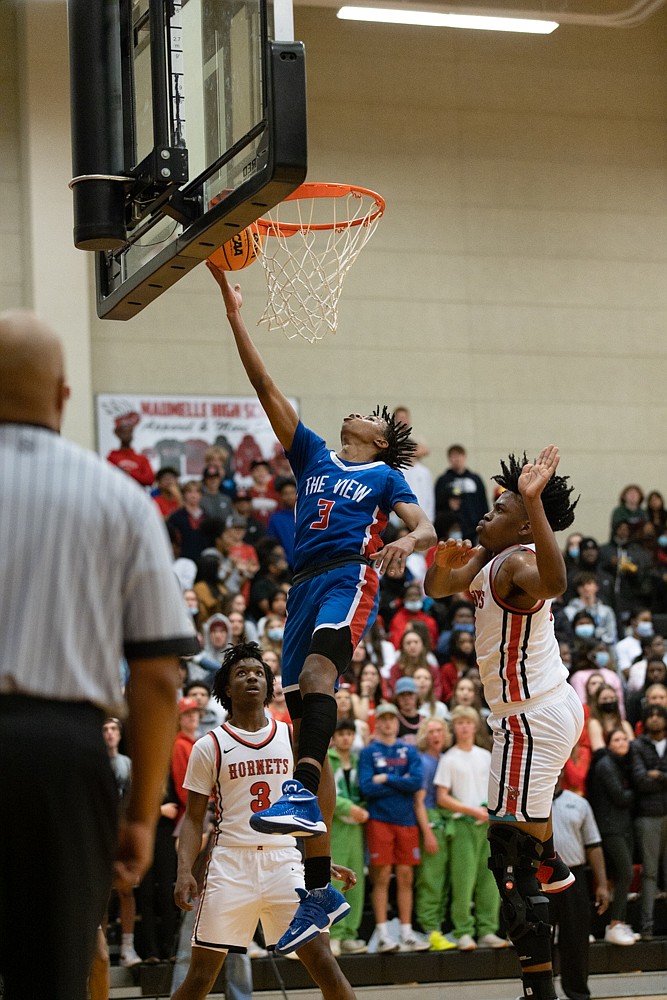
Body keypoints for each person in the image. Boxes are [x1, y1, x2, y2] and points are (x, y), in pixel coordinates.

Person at [208, 261, 435, 950]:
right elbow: (265, 385)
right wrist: (233, 312)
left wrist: (410, 543)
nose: (355, 413)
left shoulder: (381, 472)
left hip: (347, 575)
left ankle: (301, 785)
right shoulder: (312, 456)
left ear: (379, 437)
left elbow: (420, 524)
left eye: (369, 414)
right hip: (300, 586)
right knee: (306, 717)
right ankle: (317, 891)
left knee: (316, 684)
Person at [0, 310, 196, 1000]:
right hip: (60, 758)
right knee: (51, 976)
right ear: (62, 395)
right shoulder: (119, 499)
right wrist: (140, 816)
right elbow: (156, 675)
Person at [425, 445, 583, 1000]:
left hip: (531, 717)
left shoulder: (518, 561)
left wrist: (535, 503)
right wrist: (440, 565)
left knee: (506, 860)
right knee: (521, 848)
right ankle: (551, 859)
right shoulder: (489, 560)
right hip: (529, 716)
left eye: (500, 509)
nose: (485, 515)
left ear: (523, 524)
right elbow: (436, 590)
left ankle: (541, 992)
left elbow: (557, 581)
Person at [171, 643, 356, 1000]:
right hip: (229, 863)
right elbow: (193, 819)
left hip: (284, 861)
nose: (252, 677)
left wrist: (321, 861)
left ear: (269, 686)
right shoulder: (208, 745)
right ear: (226, 687)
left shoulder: (292, 736)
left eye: (258, 672)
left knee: (324, 962)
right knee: (199, 979)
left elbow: (319, 802)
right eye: (241, 673)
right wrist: (183, 870)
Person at [358, 701, 430, 953]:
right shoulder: (369, 752)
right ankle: (383, 933)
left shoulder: (409, 751)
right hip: (379, 820)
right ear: (378, 722)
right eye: (384, 719)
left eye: (392, 718)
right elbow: (366, 787)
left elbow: (417, 782)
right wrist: (402, 782)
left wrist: (387, 778)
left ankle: (407, 932)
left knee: (406, 877)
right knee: (381, 877)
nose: (388, 723)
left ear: (398, 722)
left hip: (407, 821)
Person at [434, 706, 508, 951]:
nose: (464, 727)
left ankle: (487, 929)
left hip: (486, 825)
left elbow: (495, 788)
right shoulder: (449, 758)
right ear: (454, 728)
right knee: (463, 881)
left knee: (489, 880)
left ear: (475, 726)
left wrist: (487, 809)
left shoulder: (485, 756)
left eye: (468, 722)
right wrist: (471, 810)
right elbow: (442, 797)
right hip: (463, 825)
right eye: (460, 723)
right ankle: (463, 930)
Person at [549, 773, 610, 999]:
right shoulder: (531, 805)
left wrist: (602, 885)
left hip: (573, 877)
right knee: (539, 942)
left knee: (576, 940)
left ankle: (577, 994)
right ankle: (540, 994)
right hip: (539, 878)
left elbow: (593, 845)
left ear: (562, 773)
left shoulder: (579, 803)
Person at [586, 728, 635, 945]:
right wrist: (639, 790)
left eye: (625, 738)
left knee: (622, 875)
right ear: (608, 744)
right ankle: (615, 923)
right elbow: (619, 796)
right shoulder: (606, 764)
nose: (622, 742)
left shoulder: (621, 764)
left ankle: (618, 923)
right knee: (625, 873)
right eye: (617, 739)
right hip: (610, 827)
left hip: (621, 826)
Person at [413, 716, 455, 951]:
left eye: (439, 731)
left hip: (445, 822)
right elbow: (418, 802)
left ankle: (438, 926)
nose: (436, 735)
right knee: (430, 879)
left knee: (445, 880)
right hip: (431, 822)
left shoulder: (446, 759)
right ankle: (429, 929)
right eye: (431, 732)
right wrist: (427, 832)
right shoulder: (423, 762)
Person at [328, 718, 369, 955]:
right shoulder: (328, 760)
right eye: (341, 734)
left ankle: (350, 934)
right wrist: (347, 808)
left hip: (357, 827)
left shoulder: (357, 760)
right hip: (336, 826)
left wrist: (360, 808)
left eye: (349, 734)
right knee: (336, 878)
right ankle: (334, 934)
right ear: (334, 738)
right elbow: (325, 792)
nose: (345, 738)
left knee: (356, 880)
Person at [629, 703, 667, 941]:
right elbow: (640, 781)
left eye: (659, 715)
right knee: (650, 872)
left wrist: (659, 775)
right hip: (648, 816)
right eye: (650, 715)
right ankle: (646, 926)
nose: (654, 719)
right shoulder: (637, 745)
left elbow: (649, 777)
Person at [434, 444, 489, 544]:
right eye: (453, 456)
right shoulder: (443, 481)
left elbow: (483, 503)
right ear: (449, 459)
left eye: (459, 456)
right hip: (451, 529)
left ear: (464, 457)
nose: (456, 459)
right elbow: (438, 506)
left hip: (473, 527)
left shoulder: (475, 479)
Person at [106, 411, 155, 487]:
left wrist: (128, 473)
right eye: (123, 432)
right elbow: (109, 479)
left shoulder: (142, 459)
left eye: (129, 431)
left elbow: (149, 479)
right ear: (118, 434)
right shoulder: (112, 458)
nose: (126, 435)